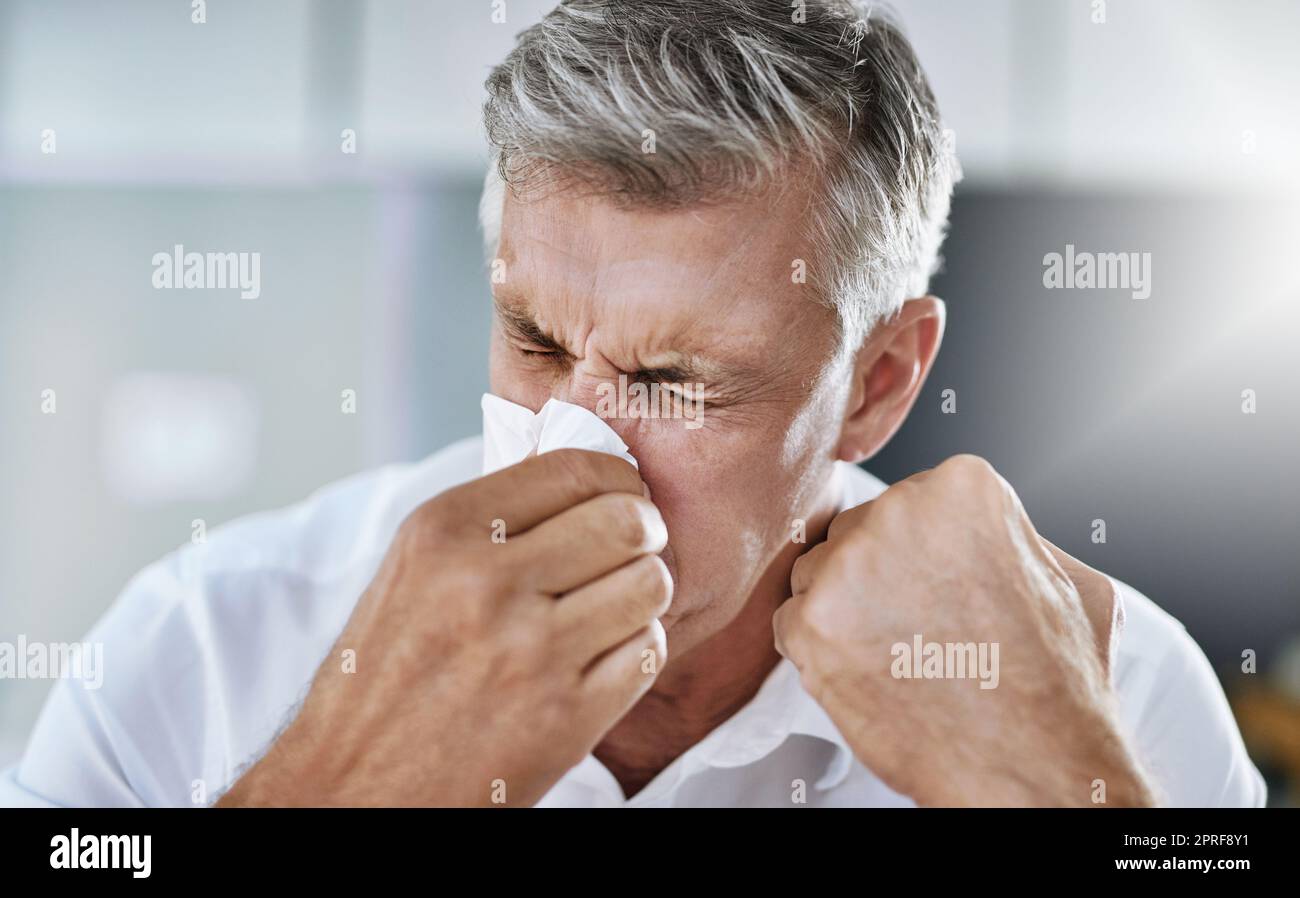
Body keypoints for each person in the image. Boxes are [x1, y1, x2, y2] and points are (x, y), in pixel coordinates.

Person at [0, 0, 1264, 807]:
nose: (574, 438)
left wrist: (1038, 782)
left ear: (877, 383)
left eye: (673, 381)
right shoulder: (201, 640)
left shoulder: (1109, 691)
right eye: (536, 341)